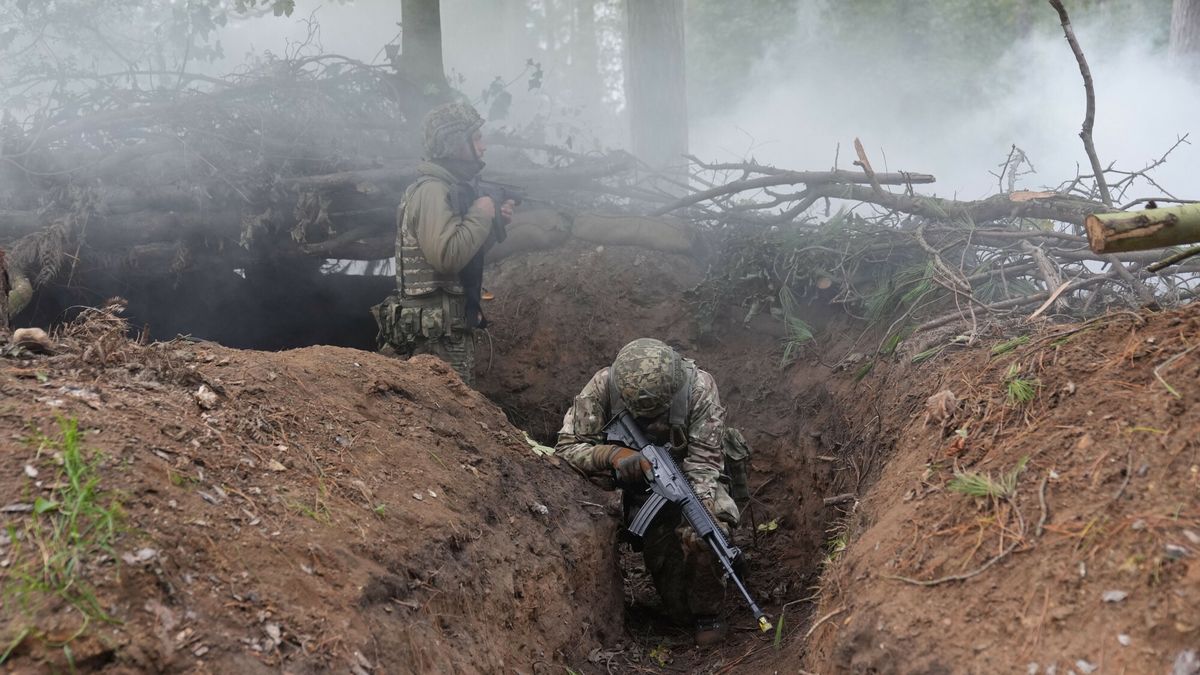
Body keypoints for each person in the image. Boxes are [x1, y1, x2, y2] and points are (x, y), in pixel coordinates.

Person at [555, 337, 741, 645]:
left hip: (689, 481)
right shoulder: (603, 386)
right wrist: (612, 456)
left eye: (657, 412)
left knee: (707, 533)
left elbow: (705, 464)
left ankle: (708, 612)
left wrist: (701, 508)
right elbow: (565, 449)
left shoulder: (699, 388)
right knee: (677, 609)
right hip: (640, 493)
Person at [371, 102, 514, 386]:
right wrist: (481, 213)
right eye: (476, 138)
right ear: (454, 144)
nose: (483, 147)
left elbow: (462, 257)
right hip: (435, 343)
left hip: (444, 335)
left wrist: (491, 225)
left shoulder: (445, 188)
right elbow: (446, 258)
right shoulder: (433, 191)